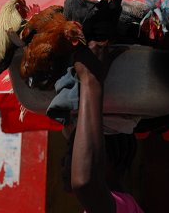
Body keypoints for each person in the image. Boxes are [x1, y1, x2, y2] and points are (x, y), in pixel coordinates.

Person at [61, 41, 144, 213]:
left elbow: (84, 183)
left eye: (72, 150)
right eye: (72, 150)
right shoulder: (121, 205)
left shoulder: (117, 205)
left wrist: (90, 80)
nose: (63, 161)